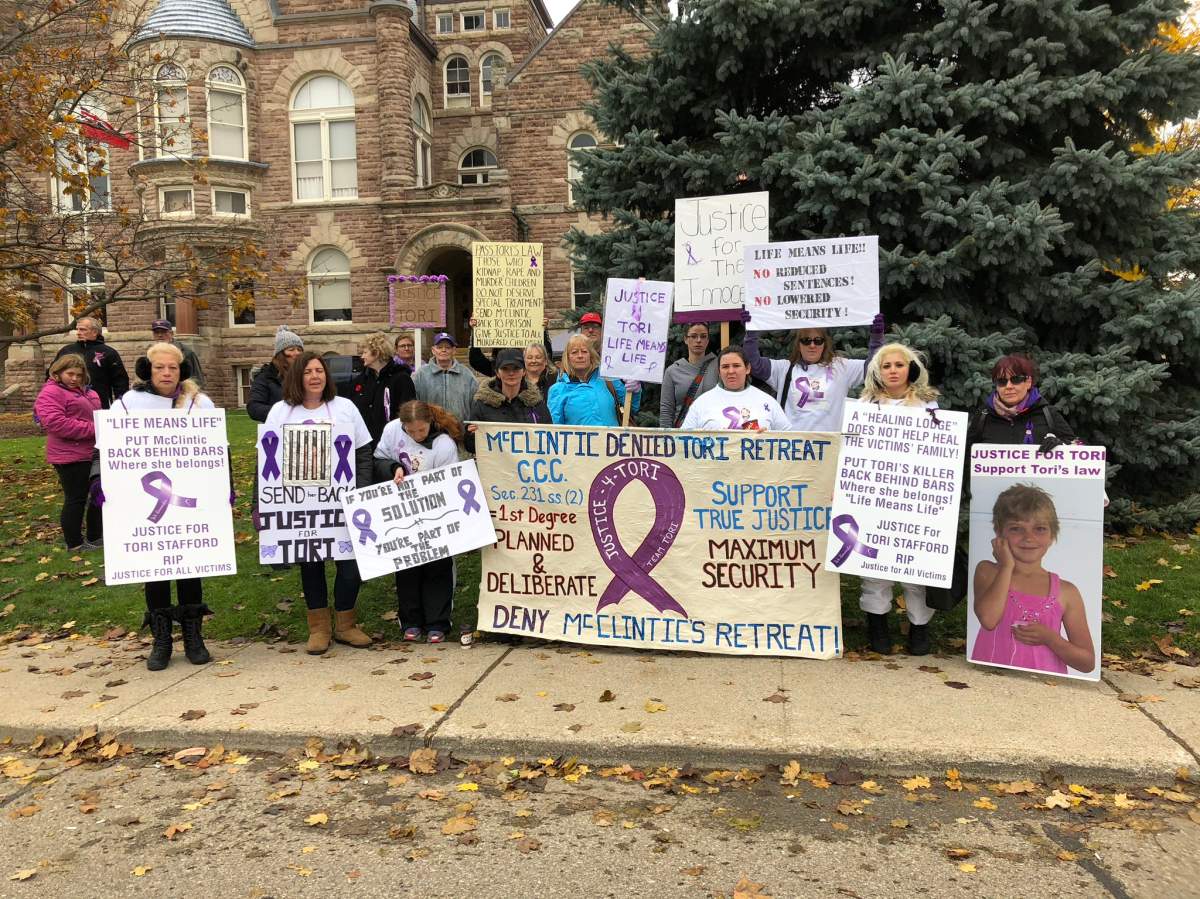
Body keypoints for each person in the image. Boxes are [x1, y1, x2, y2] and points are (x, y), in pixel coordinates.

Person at [114, 342, 218, 671]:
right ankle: (161, 640)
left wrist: (223, 489)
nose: (166, 372)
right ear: (148, 369)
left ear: (181, 370)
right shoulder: (128, 405)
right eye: (159, 367)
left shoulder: (198, 404)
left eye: (172, 367)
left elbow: (218, 449)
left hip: (190, 500)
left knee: (190, 566)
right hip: (145, 501)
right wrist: (101, 486)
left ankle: (193, 637)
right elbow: (110, 449)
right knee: (155, 568)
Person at [265, 352, 375, 654]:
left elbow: (364, 453)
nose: (315, 376)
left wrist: (360, 492)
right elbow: (268, 457)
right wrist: (264, 504)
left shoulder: (345, 408)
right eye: (308, 372)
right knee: (311, 565)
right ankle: (319, 628)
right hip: (300, 503)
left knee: (350, 566)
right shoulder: (280, 411)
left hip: (343, 500)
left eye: (320, 371)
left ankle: (346, 624)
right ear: (297, 377)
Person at [856, 342, 941, 655]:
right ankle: (877, 626)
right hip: (873, 497)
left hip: (913, 499)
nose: (893, 371)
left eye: (899, 365)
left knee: (913, 570)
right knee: (874, 567)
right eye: (887, 366)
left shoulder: (928, 407)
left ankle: (919, 628)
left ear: (910, 369)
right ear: (878, 371)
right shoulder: (865, 406)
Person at [971, 484, 1095, 674]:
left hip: (1044, 689)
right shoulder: (988, 571)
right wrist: (1006, 566)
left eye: (1039, 529)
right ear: (999, 533)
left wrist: (1050, 638)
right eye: (1016, 529)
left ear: (1052, 535)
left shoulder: (1067, 592)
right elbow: (988, 619)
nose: (1028, 538)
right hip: (989, 681)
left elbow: (1087, 663)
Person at [374, 400, 463, 643]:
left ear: (430, 423)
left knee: (438, 567)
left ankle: (438, 622)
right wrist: (393, 468)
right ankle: (410, 620)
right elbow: (379, 458)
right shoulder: (392, 430)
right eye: (410, 431)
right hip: (402, 510)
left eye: (421, 430)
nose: (416, 435)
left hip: (435, 511)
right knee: (408, 567)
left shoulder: (443, 443)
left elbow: (450, 480)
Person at [743, 314, 886, 432]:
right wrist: (751, 333)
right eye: (806, 340)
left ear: (825, 344)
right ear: (798, 344)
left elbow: (874, 368)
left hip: (828, 449)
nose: (812, 345)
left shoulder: (841, 367)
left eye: (818, 341)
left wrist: (877, 338)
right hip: (792, 449)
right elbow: (753, 364)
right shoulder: (784, 369)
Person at [34, 355, 102, 551]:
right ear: (58, 373)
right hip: (69, 455)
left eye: (79, 375)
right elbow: (56, 423)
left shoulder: (89, 392)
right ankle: (74, 543)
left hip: (93, 451)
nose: (74, 378)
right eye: (69, 374)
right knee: (76, 498)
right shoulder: (51, 393)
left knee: (99, 493)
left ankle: (95, 536)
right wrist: (95, 428)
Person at [967, 354, 1077, 453]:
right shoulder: (983, 415)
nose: (1008, 386)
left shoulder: (1047, 413)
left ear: (1028, 382)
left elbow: (1078, 447)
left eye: (1016, 380)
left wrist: (1061, 445)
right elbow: (965, 458)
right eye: (1002, 381)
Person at [681, 346, 790, 431]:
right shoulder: (701, 403)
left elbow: (791, 438)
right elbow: (683, 441)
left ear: (747, 369)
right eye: (725, 367)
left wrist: (768, 438)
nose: (731, 371)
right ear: (719, 372)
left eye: (736, 366)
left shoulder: (768, 402)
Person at [464, 349, 552, 452]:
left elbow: (549, 440)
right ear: (497, 373)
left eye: (516, 368)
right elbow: (471, 447)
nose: (511, 373)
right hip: (496, 466)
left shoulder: (536, 404)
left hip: (528, 466)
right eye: (505, 368)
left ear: (524, 371)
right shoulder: (482, 404)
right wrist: (471, 436)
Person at [547, 334, 639, 426]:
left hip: (611, 440)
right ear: (567, 358)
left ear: (591, 355)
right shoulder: (558, 389)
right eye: (574, 352)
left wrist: (634, 391)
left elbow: (632, 408)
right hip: (577, 440)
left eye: (584, 351)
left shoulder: (608, 379)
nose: (580, 356)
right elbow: (554, 430)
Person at [351, 331, 416, 446]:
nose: (362, 356)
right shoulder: (363, 379)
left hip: (392, 445)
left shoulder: (401, 379)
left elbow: (407, 415)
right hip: (365, 445)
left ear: (376, 353)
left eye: (365, 352)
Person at [53, 317, 128, 409]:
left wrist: (121, 406)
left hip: (99, 404)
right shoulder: (66, 351)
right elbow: (52, 375)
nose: (78, 332)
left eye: (83, 329)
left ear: (94, 332)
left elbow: (120, 382)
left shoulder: (108, 353)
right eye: (77, 329)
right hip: (69, 404)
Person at [412, 331, 477, 426]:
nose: (444, 350)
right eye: (439, 347)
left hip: (460, 431)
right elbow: (415, 403)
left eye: (448, 347)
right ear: (433, 350)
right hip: (430, 432)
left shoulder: (467, 374)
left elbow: (475, 403)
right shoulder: (421, 375)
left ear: (454, 350)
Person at [661, 322, 719, 427]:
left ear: (708, 340)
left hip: (713, 432)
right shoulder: (673, 371)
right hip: (683, 434)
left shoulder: (720, 367)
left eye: (703, 336)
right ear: (686, 339)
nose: (698, 340)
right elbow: (666, 410)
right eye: (693, 336)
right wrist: (666, 439)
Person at [247, 326, 304, 423]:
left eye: (299, 349)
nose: (297, 353)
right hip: (277, 432)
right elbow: (254, 408)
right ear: (280, 354)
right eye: (291, 349)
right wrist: (284, 413)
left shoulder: (307, 374)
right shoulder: (265, 377)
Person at [151, 318, 204, 388]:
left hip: (181, 395)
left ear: (171, 334)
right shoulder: (151, 354)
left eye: (164, 332)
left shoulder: (186, 353)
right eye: (157, 332)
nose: (160, 335)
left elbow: (197, 380)